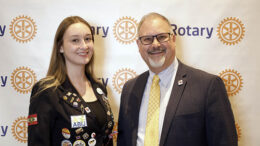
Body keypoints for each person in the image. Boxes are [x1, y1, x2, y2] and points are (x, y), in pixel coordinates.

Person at [117, 12, 237, 146]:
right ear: (139, 45)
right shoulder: (130, 88)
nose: (155, 44)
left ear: (173, 39)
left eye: (162, 37)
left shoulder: (208, 86)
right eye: (147, 39)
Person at [28, 16, 114, 146]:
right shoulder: (47, 92)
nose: (84, 46)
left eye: (87, 39)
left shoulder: (99, 88)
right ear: (61, 47)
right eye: (75, 40)